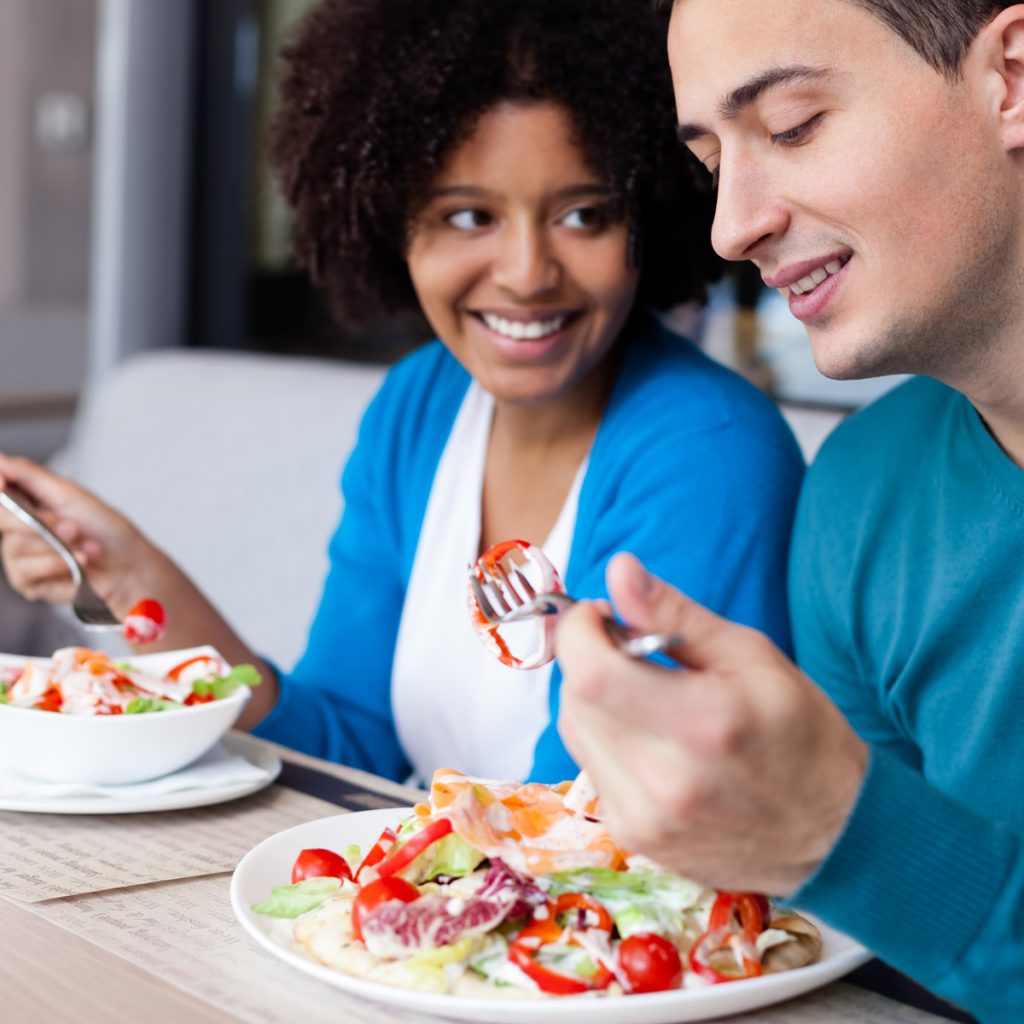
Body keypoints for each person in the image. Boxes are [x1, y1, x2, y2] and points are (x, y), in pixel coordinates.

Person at [0, 0, 804, 788]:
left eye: (584, 214)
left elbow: (602, 830)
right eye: (466, 217)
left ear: (649, 218)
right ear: (392, 223)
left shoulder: (708, 453)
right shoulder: (420, 406)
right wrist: (136, 575)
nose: (526, 273)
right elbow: (347, 748)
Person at [555, 2, 1024, 1020]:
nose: (731, 226)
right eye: (711, 158)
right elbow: (905, 981)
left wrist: (841, 832)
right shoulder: (862, 494)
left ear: (1013, 77)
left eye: (793, 125)